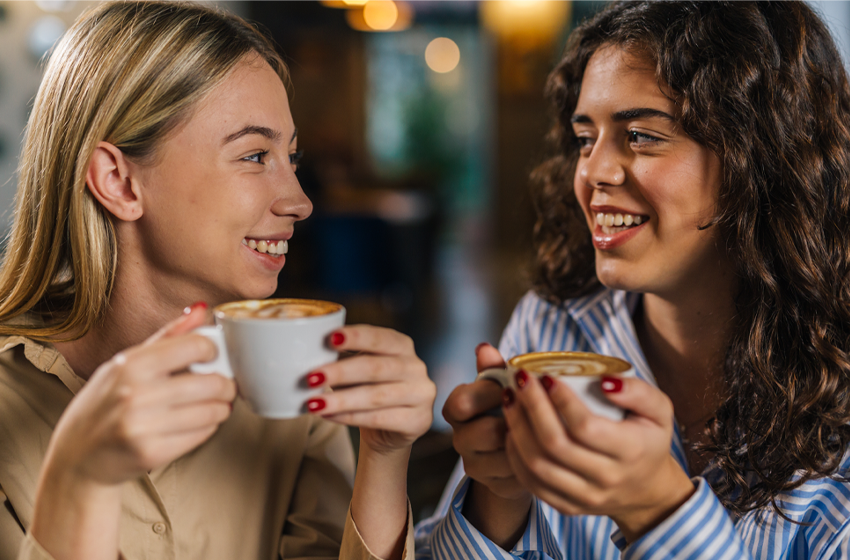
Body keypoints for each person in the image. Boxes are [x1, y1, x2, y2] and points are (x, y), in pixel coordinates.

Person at [0, 2, 436, 559]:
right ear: (119, 182)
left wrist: (386, 457)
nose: (300, 201)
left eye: (291, 157)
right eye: (254, 156)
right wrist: (80, 480)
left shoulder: (292, 382)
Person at [415, 0, 850, 557]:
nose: (592, 172)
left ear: (762, 156)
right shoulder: (555, 324)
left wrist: (658, 512)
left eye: (641, 135)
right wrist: (498, 498)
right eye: (584, 139)